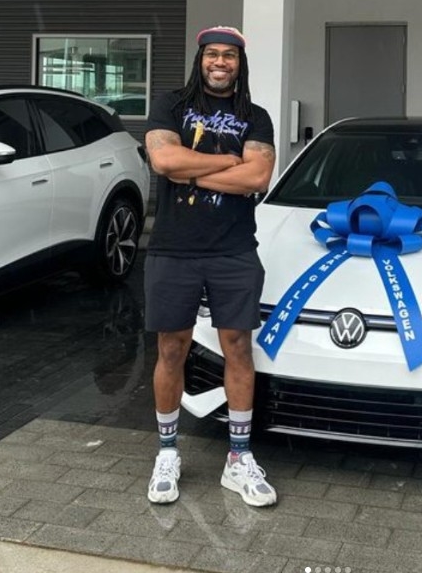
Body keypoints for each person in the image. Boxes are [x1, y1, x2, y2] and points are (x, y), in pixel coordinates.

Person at [143, 26, 277, 507]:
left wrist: (192, 169)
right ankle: (167, 452)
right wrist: (226, 164)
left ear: (240, 64)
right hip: (173, 248)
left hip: (233, 249)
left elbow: (258, 176)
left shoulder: (256, 117)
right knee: (171, 348)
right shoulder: (170, 105)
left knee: (237, 346)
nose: (220, 62)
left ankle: (238, 459)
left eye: (229, 56)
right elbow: (163, 161)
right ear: (200, 60)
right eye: (212, 54)